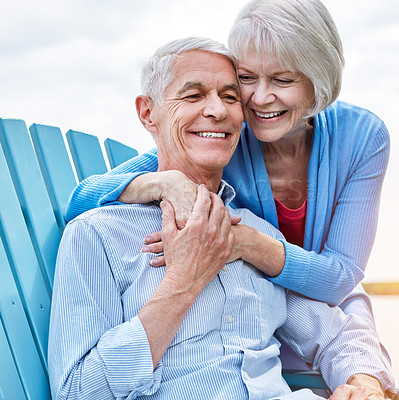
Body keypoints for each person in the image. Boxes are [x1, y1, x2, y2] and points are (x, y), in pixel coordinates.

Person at [49, 38, 396, 399]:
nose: (217, 110)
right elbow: (78, 391)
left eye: (230, 97)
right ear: (148, 113)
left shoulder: (255, 235)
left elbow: (334, 332)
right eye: (193, 95)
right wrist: (183, 282)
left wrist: (364, 382)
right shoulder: (97, 235)